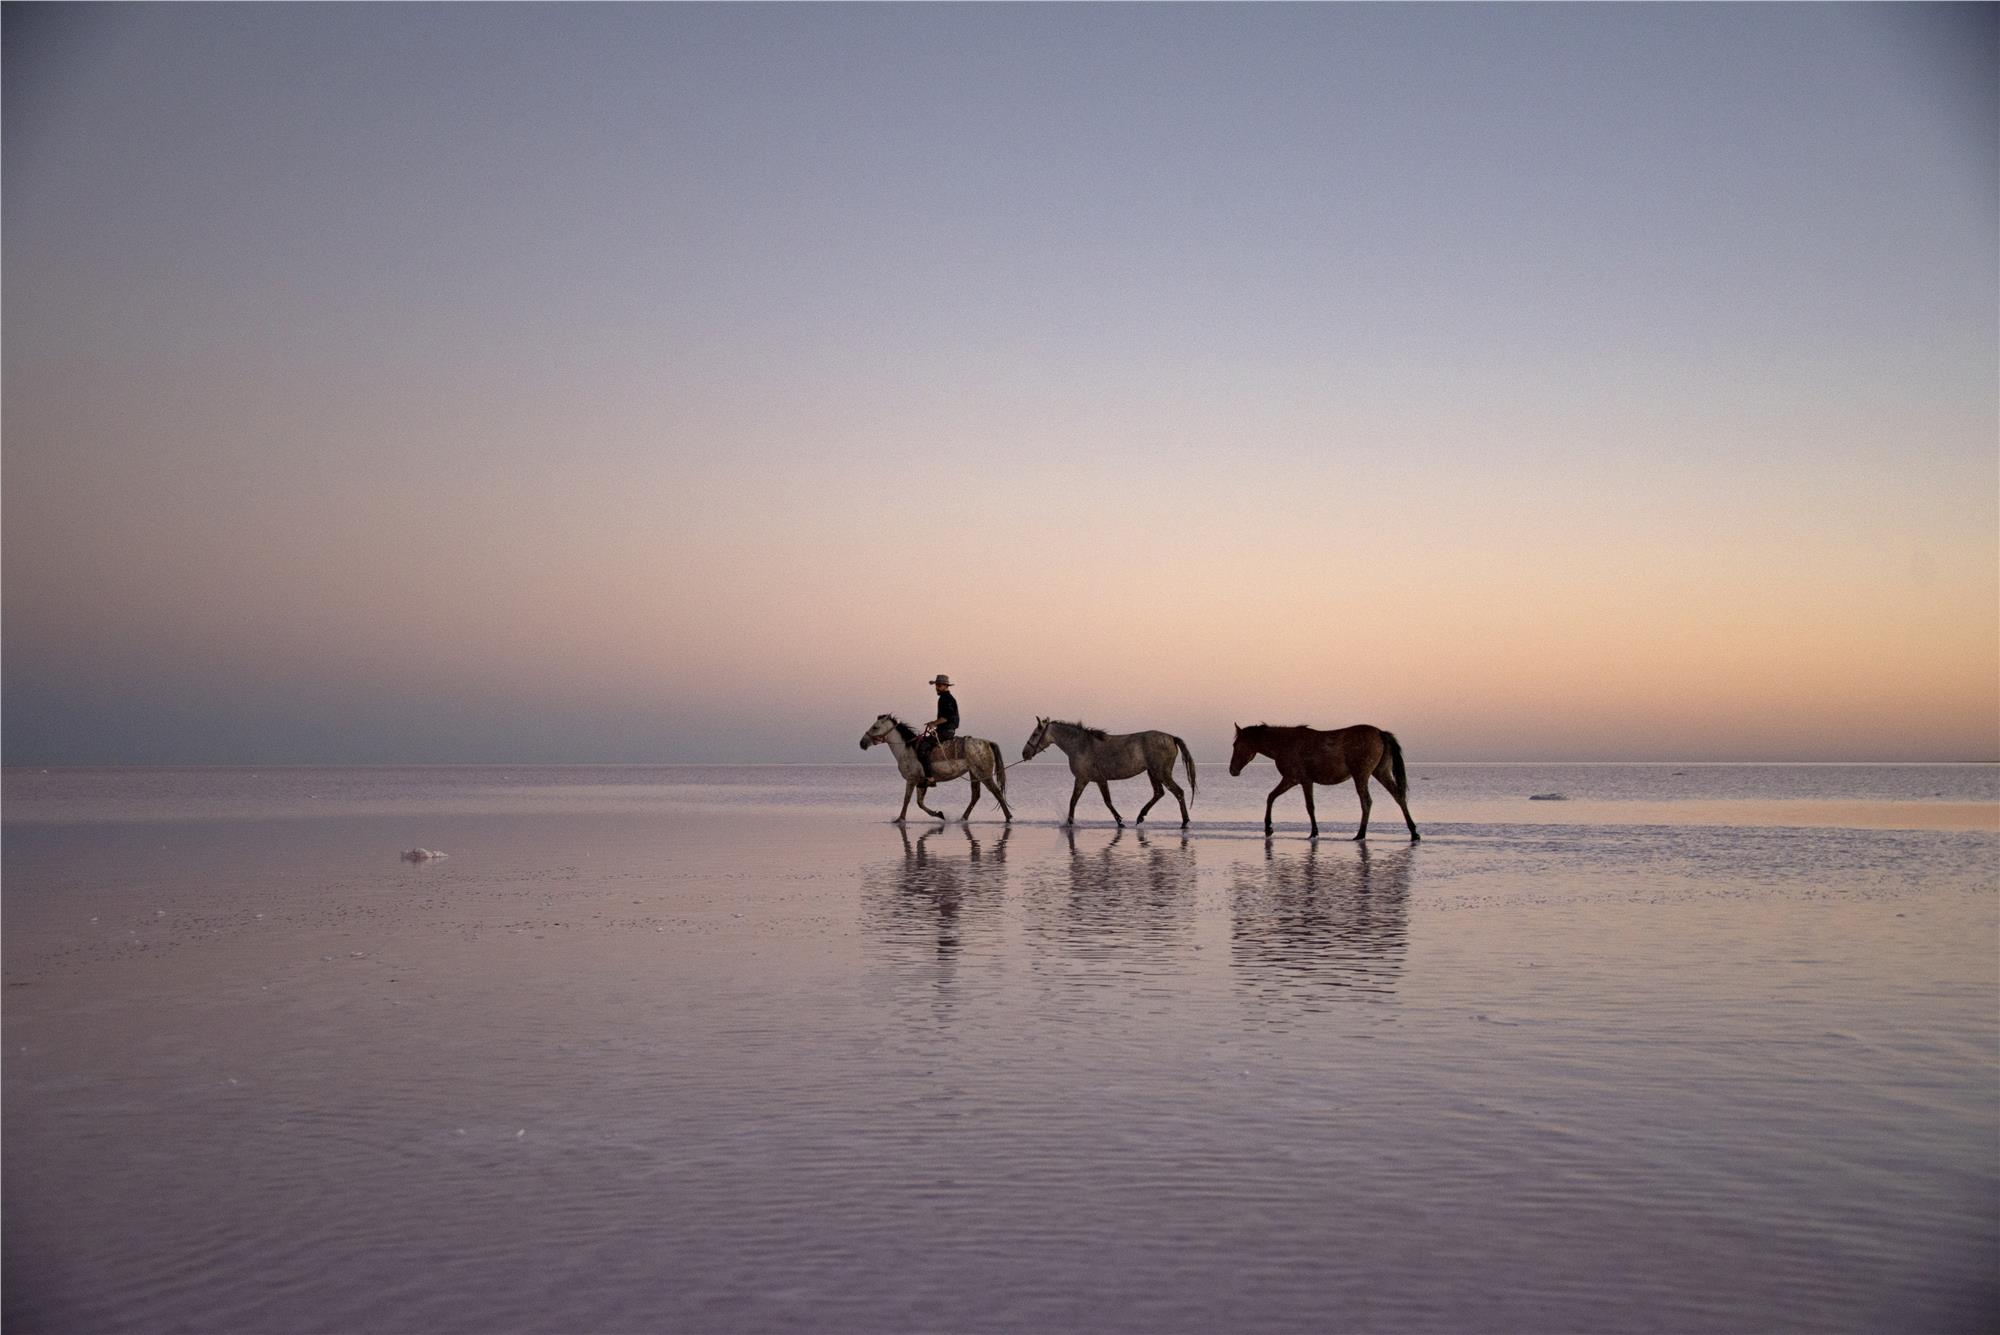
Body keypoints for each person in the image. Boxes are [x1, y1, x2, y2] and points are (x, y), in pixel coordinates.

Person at [916, 674, 959, 781]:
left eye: (939, 685)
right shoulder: (945, 698)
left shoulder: (946, 699)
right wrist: (934, 723)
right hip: (944, 730)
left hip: (946, 731)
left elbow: (947, 717)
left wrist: (933, 723)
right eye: (936, 685)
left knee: (922, 747)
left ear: (946, 686)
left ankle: (929, 778)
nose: (937, 688)